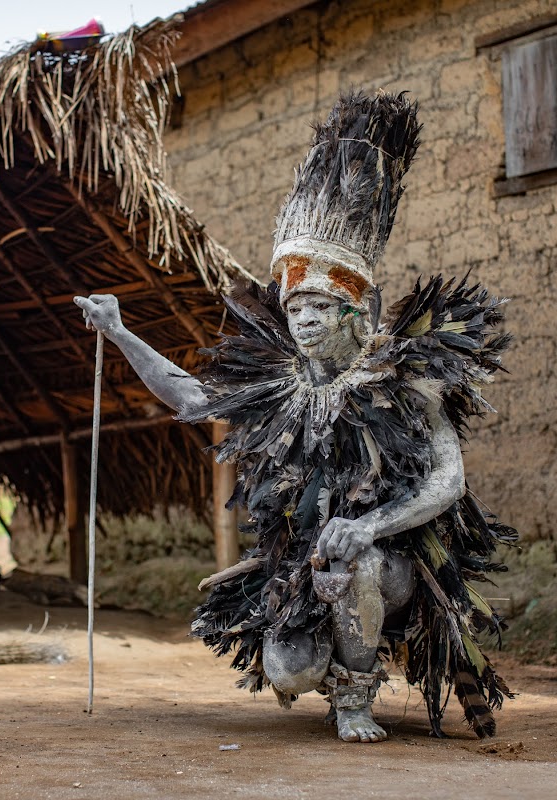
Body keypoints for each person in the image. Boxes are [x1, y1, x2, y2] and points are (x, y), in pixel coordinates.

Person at [75, 91, 515, 743]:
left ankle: (357, 699)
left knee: (358, 567)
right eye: (295, 308)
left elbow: (446, 482)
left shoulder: (403, 381)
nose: (303, 321)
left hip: (387, 562)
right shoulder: (279, 384)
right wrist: (121, 333)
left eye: (318, 308)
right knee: (288, 669)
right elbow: (191, 396)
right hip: (300, 568)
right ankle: (323, 660)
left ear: (356, 314)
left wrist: (370, 527)